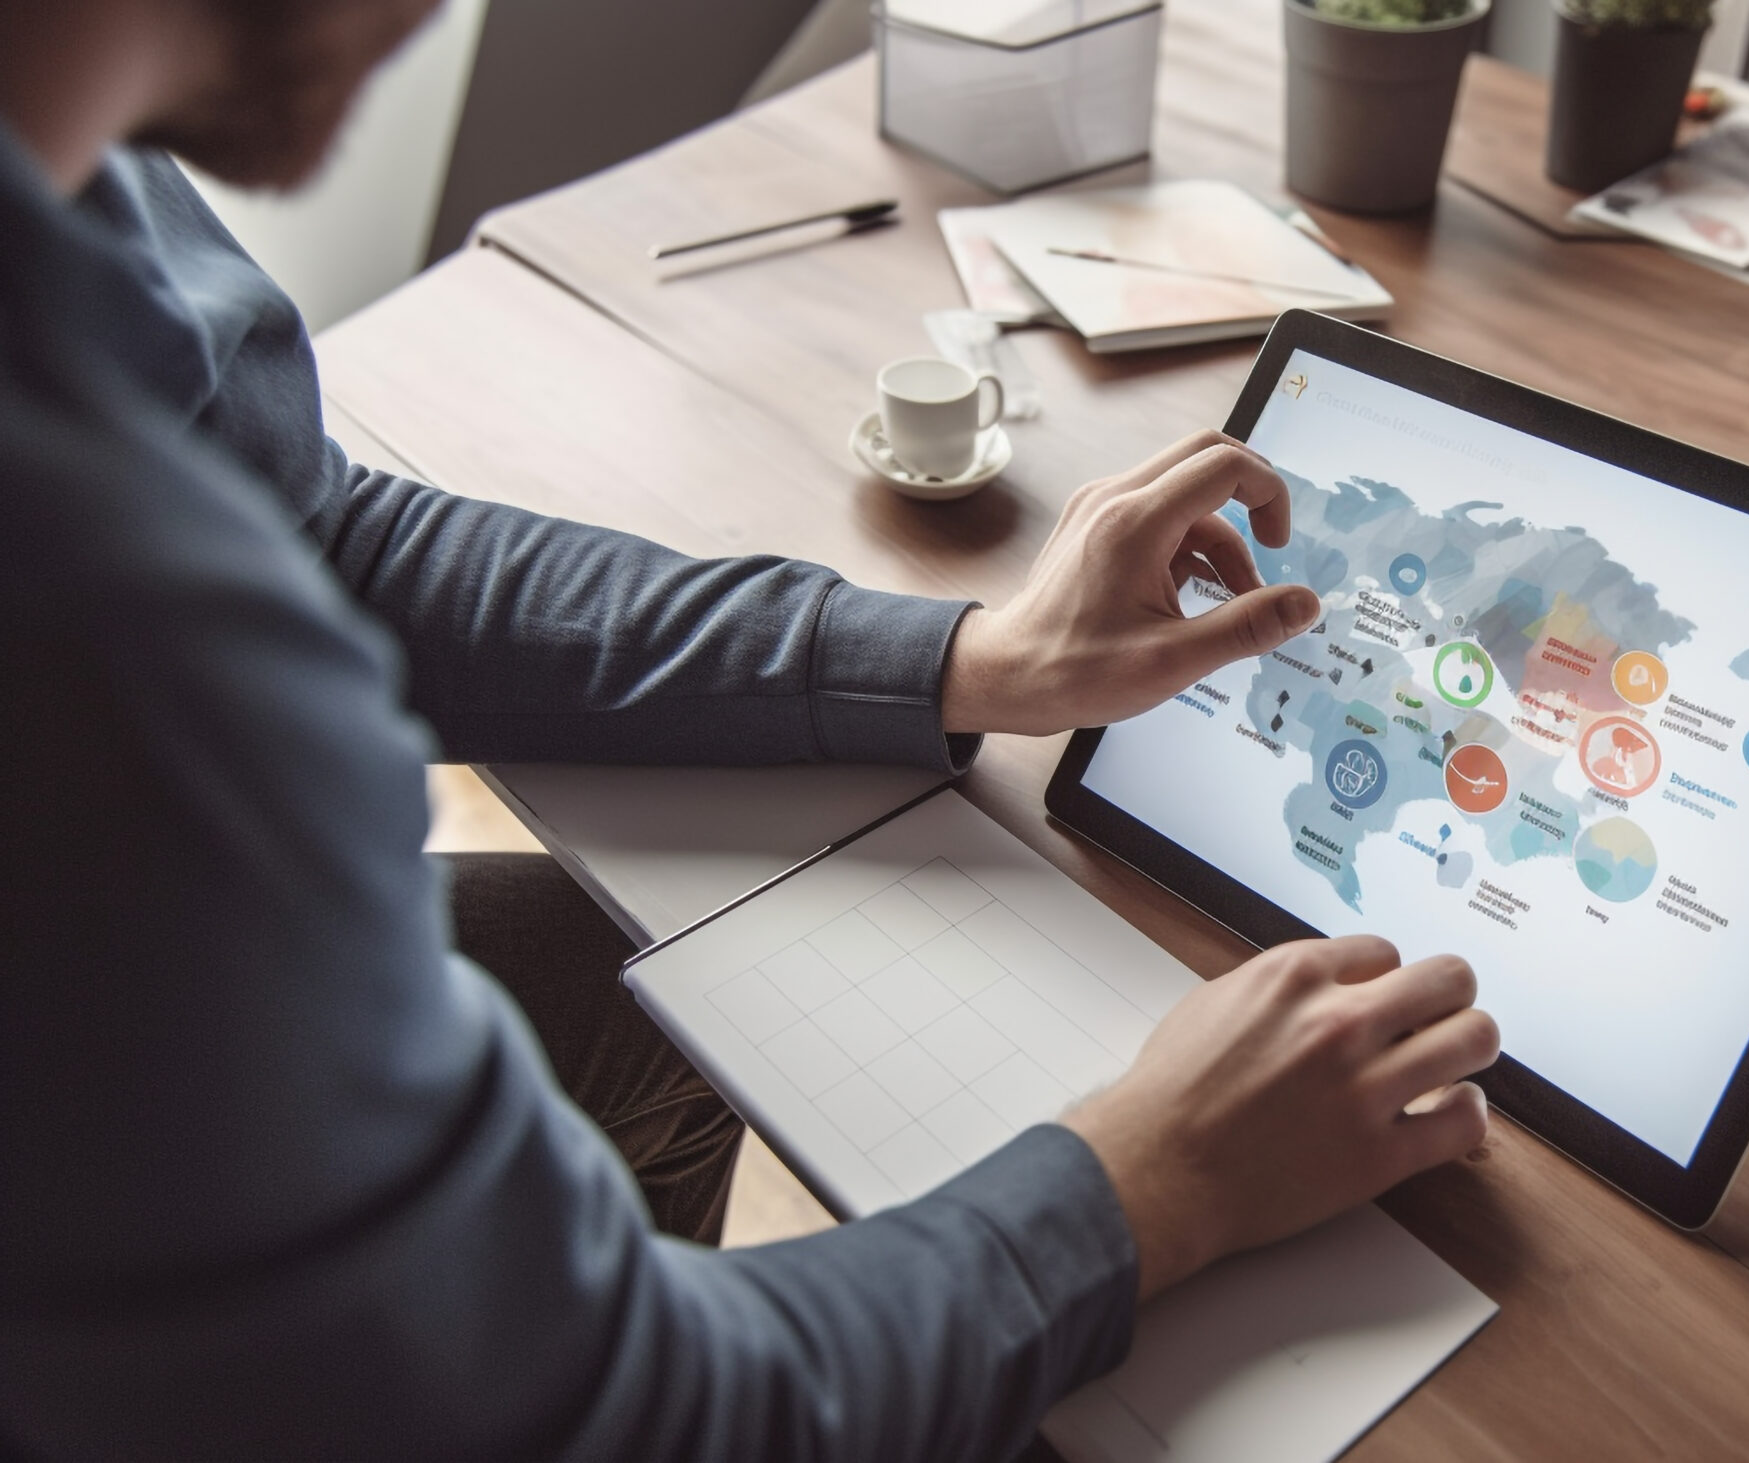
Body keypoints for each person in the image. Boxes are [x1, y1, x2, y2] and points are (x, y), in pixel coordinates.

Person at [0, 0, 1501, 1456]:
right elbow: (623, 1413)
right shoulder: (104, 631)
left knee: (635, 981)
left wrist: (973, 657)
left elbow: (323, 536)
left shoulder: (79, 200)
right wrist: (1161, 1181)